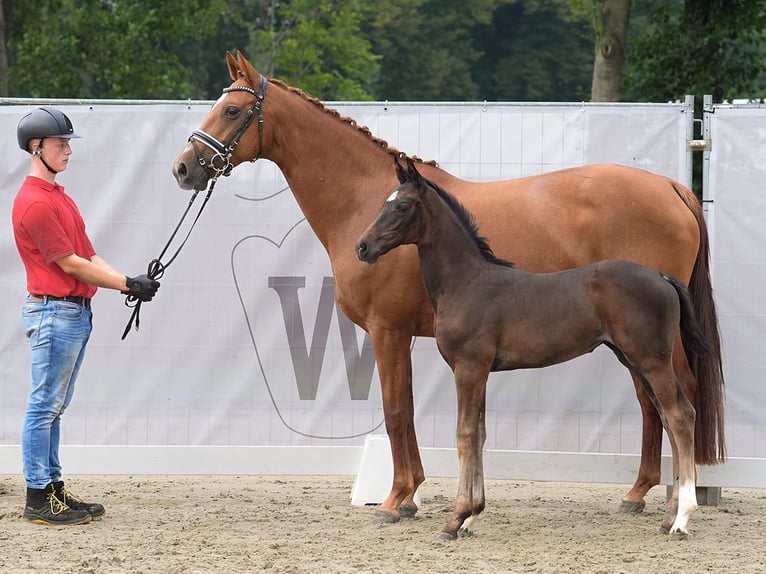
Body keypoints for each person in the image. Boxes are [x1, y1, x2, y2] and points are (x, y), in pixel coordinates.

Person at [12, 106, 160, 526]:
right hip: (55, 313)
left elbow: (88, 254)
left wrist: (127, 280)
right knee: (44, 406)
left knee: (54, 407)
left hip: (71, 315)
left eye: (67, 144)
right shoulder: (35, 204)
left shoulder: (59, 198)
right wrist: (127, 286)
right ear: (36, 147)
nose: (67, 151)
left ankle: (52, 489)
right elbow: (71, 265)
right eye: (60, 144)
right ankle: (38, 496)